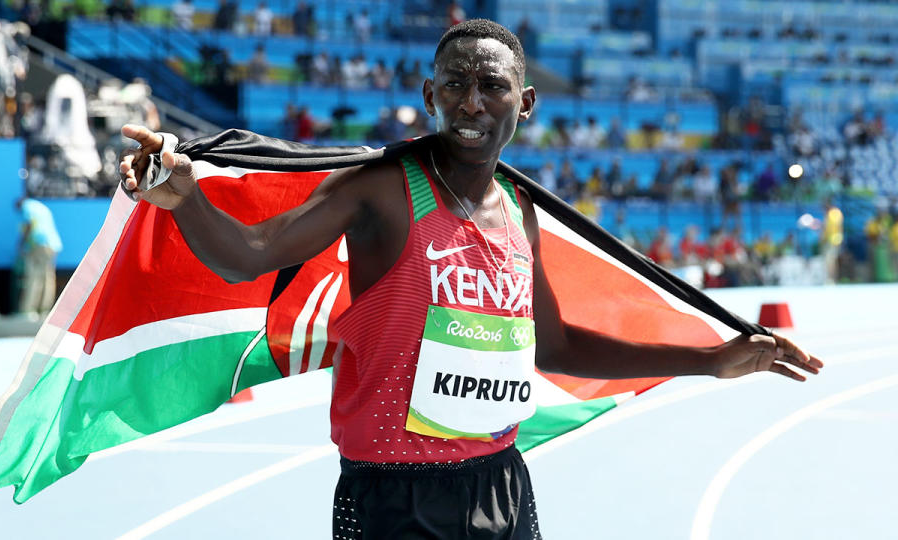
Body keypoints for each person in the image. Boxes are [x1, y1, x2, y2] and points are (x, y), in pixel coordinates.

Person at [118, 19, 821, 539]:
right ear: (430, 93)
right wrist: (188, 199)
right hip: (394, 499)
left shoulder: (520, 210)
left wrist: (713, 361)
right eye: (455, 84)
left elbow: (557, 347)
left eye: (493, 85)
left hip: (502, 484)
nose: (473, 102)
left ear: (527, 102)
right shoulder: (383, 190)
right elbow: (250, 253)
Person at [16, 198, 63, 318]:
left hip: (39, 244)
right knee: (48, 278)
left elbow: (29, 224)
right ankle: (45, 310)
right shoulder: (42, 208)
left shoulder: (27, 206)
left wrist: (21, 244)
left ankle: (28, 310)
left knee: (34, 277)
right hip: (53, 245)